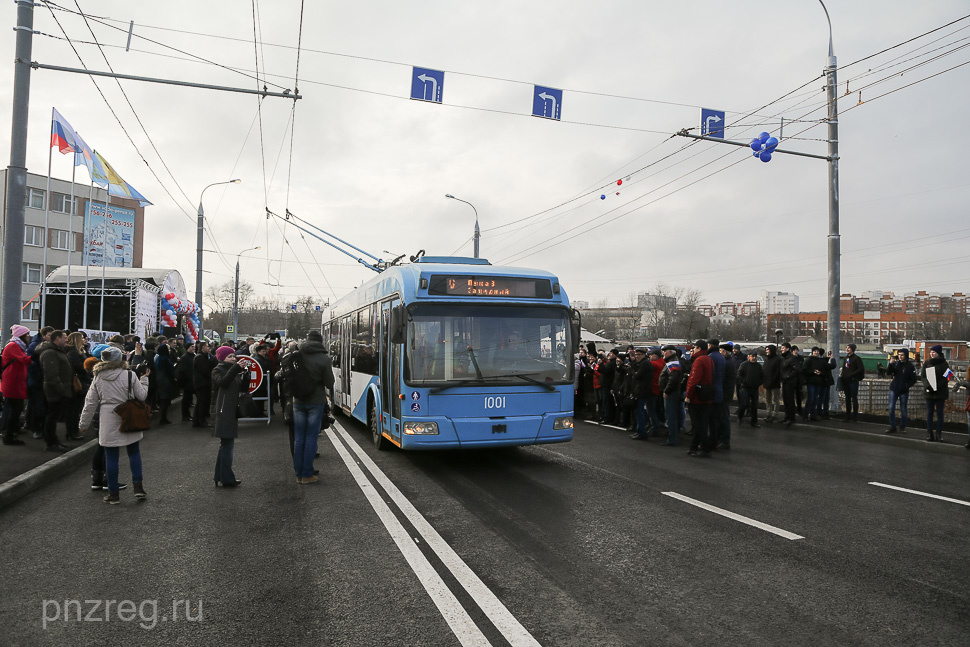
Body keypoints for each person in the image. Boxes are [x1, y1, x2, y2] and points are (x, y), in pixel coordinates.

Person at [79, 346, 149, 504]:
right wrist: (144, 379)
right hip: (129, 415)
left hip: (108, 416)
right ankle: (138, 488)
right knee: (134, 452)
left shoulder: (98, 377)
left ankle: (113, 493)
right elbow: (142, 396)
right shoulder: (129, 374)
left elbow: (90, 403)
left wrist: (83, 424)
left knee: (111, 456)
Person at [292, 330, 335, 484]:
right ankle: (307, 474)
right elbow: (330, 383)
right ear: (321, 341)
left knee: (299, 439)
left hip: (298, 400)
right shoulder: (323, 358)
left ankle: (299, 474)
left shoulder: (296, 354)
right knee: (311, 437)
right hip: (315, 401)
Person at [211, 346, 244, 486]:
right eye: (230, 356)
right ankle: (226, 478)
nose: (233, 359)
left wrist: (245, 374)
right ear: (222, 358)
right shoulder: (217, 369)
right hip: (223, 410)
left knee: (226, 444)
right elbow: (223, 382)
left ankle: (220, 476)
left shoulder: (233, 369)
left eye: (234, 356)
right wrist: (235, 368)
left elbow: (240, 387)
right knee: (227, 444)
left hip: (230, 409)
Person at [37, 330, 75, 452]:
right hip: (55, 391)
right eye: (64, 337)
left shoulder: (57, 351)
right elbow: (51, 375)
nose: (66, 340)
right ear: (57, 339)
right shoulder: (50, 353)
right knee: (52, 417)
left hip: (60, 390)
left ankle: (54, 440)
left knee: (53, 416)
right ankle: (51, 443)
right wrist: (62, 390)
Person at [1, 325, 33, 446]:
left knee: (15, 409)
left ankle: (11, 433)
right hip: (13, 382)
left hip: (14, 381)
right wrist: (36, 355)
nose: (29, 337)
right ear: (22, 335)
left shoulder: (17, 345)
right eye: (27, 335)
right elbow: (25, 360)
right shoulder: (14, 346)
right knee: (15, 409)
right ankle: (8, 436)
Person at [685, 340, 714, 457]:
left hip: (697, 396)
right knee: (701, 423)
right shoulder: (709, 359)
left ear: (699, 348)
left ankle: (705, 449)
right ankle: (694, 446)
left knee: (698, 424)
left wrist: (688, 395)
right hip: (707, 394)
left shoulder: (699, 360)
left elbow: (693, 380)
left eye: (695, 348)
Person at [919, 344, 950, 443]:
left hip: (940, 392)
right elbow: (923, 376)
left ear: (938, 353)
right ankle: (929, 433)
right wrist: (928, 385)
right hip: (929, 392)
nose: (932, 354)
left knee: (940, 413)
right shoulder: (927, 363)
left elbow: (947, 377)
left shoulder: (944, 364)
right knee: (929, 413)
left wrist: (937, 386)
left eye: (934, 352)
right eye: (931, 352)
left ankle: (939, 433)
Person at [64, 332, 91, 441]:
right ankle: (72, 432)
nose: (85, 340)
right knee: (73, 410)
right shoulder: (73, 352)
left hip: (80, 381)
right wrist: (88, 370)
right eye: (83, 338)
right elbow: (79, 367)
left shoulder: (78, 351)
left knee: (75, 409)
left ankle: (73, 431)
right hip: (77, 382)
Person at [885, 348, 917, 434]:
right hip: (894, 388)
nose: (900, 357)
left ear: (905, 356)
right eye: (899, 355)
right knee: (891, 408)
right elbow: (888, 373)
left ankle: (902, 426)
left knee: (903, 409)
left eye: (902, 355)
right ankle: (892, 426)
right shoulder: (896, 364)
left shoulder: (910, 366)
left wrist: (907, 385)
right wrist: (890, 364)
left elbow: (914, 379)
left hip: (904, 390)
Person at [658, 345, 683, 446]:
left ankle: (672, 439)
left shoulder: (672, 362)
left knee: (671, 416)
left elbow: (673, 379)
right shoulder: (671, 361)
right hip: (672, 392)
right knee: (671, 415)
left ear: (671, 352)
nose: (663, 353)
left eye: (665, 351)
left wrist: (666, 391)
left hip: (671, 393)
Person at [630, 348, 655, 440]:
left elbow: (637, 376)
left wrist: (632, 371)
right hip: (641, 390)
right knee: (639, 411)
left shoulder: (645, 364)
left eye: (639, 354)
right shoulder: (642, 364)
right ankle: (639, 431)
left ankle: (641, 432)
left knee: (640, 411)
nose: (637, 356)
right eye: (636, 355)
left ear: (644, 355)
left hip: (643, 390)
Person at [736, 349, 764, 428]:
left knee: (755, 406)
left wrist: (759, 383)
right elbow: (739, 375)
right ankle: (740, 417)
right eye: (752, 356)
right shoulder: (744, 365)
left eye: (755, 356)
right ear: (749, 357)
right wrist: (743, 381)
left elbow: (762, 376)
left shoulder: (758, 366)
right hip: (745, 388)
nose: (754, 358)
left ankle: (754, 422)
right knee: (744, 404)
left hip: (755, 388)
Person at [153, 341, 177, 425]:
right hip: (165, 380)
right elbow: (170, 370)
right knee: (165, 399)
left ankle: (163, 417)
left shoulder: (158, 358)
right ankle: (163, 418)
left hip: (160, 379)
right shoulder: (165, 359)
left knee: (163, 398)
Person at [840, 343, 865, 423]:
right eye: (846, 348)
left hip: (853, 381)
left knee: (854, 398)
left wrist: (852, 375)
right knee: (847, 398)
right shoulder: (845, 358)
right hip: (846, 381)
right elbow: (844, 368)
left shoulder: (857, 358)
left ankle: (855, 417)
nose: (847, 349)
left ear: (853, 349)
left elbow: (861, 369)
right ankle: (847, 416)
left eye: (849, 348)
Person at [192, 341, 213, 427]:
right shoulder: (200, 358)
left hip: (202, 383)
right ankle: (200, 420)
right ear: (203, 347)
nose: (209, 348)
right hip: (202, 384)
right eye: (207, 346)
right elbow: (205, 371)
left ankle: (198, 420)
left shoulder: (202, 357)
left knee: (202, 402)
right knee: (202, 403)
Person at [779, 342, 799, 427]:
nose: (781, 349)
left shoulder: (792, 358)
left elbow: (797, 369)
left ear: (787, 349)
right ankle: (787, 416)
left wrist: (788, 376)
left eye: (783, 348)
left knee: (790, 400)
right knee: (785, 399)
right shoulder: (784, 358)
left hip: (790, 382)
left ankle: (792, 418)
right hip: (785, 381)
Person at [762, 344, 782, 423]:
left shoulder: (778, 359)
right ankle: (768, 413)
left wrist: (772, 380)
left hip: (774, 383)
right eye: (766, 350)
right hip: (766, 383)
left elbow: (778, 372)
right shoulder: (766, 360)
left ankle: (775, 414)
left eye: (768, 350)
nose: (767, 351)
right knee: (768, 399)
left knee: (775, 399)